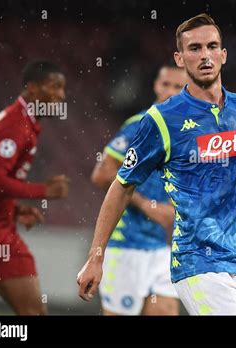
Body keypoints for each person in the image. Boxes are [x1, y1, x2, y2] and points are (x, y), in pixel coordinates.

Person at [78, 13, 236, 315]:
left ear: (224, 55)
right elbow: (121, 185)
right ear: (180, 57)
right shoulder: (161, 119)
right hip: (197, 261)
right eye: (195, 48)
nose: (205, 55)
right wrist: (96, 257)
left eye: (212, 46)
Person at [0, 60, 70, 315]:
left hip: (2, 229)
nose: (61, 95)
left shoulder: (26, 121)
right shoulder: (15, 124)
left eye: (63, 88)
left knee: (35, 313)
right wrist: (44, 191)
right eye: (55, 87)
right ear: (33, 88)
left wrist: (13, 210)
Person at [90, 65, 187, 315]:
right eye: (166, 85)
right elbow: (102, 174)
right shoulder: (139, 125)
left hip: (158, 247)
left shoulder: (187, 132)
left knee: (166, 311)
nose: (170, 92)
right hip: (126, 244)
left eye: (178, 87)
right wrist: (146, 205)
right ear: (156, 86)